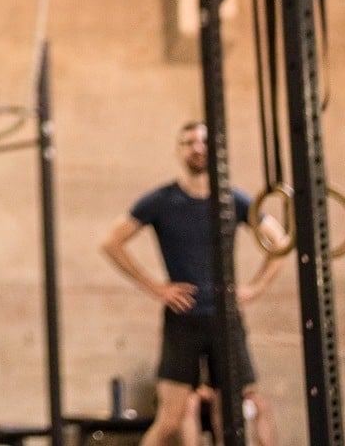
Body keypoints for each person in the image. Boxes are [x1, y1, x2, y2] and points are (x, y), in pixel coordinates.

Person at [99, 122, 283, 446]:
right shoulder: (160, 201)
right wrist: (156, 287)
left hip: (225, 320)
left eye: (203, 141)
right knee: (170, 419)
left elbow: (279, 242)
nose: (197, 148)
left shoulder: (233, 199)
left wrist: (255, 288)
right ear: (179, 150)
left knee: (229, 419)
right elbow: (111, 243)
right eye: (189, 142)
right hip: (182, 319)